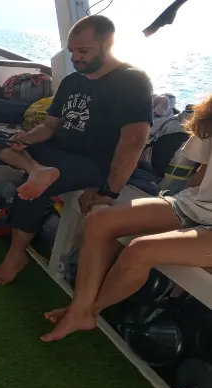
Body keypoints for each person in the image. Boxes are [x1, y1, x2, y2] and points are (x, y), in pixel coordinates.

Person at [0, 15, 153, 285]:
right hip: (55, 152)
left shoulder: (132, 81)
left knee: (33, 191)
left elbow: (133, 142)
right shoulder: (73, 81)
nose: (75, 58)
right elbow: (49, 127)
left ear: (107, 44)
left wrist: (109, 191)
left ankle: (16, 256)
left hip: (91, 164)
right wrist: (26, 138)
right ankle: (38, 171)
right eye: (72, 51)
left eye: (83, 51)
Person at [41, 93, 212, 342]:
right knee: (101, 222)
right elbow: (201, 173)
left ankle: (90, 311)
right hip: (196, 204)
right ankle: (79, 308)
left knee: (141, 250)